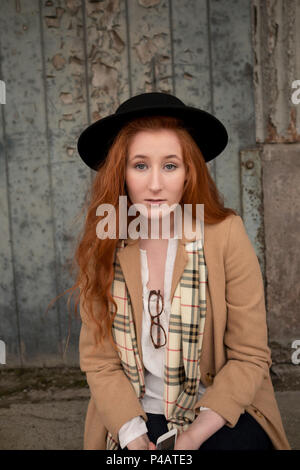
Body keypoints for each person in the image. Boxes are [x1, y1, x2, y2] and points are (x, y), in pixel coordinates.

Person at [75, 92, 291, 450]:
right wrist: (132, 437)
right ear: (121, 172)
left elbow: (249, 355)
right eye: (140, 165)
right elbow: (99, 362)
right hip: (136, 413)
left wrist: (192, 438)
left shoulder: (225, 234)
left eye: (170, 165)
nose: (155, 184)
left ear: (189, 171)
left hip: (218, 408)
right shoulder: (104, 242)